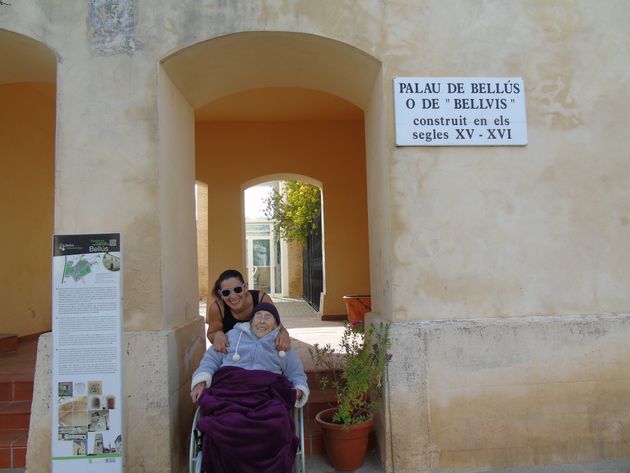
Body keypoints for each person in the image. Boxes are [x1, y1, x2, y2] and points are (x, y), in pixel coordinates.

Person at [190, 303, 309, 473]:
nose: (262, 321)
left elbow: (297, 373)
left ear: (276, 325)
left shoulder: (281, 344)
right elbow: (210, 360)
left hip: (266, 395)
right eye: (258, 316)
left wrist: (298, 390)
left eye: (268, 317)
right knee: (224, 422)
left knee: (277, 425)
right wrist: (200, 381)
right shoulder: (232, 336)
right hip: (230, 391)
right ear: (251, 320)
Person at [206, 269, 291, 352]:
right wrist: (217, 335)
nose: (233, 296)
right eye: (226, 293)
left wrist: (284, 333)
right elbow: (211, 333)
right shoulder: (217, 308)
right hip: (234, 356)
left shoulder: (261, 300)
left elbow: (277, 326)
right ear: (220, 294)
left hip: (261, 353)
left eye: (237, 289)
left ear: (245, 287)